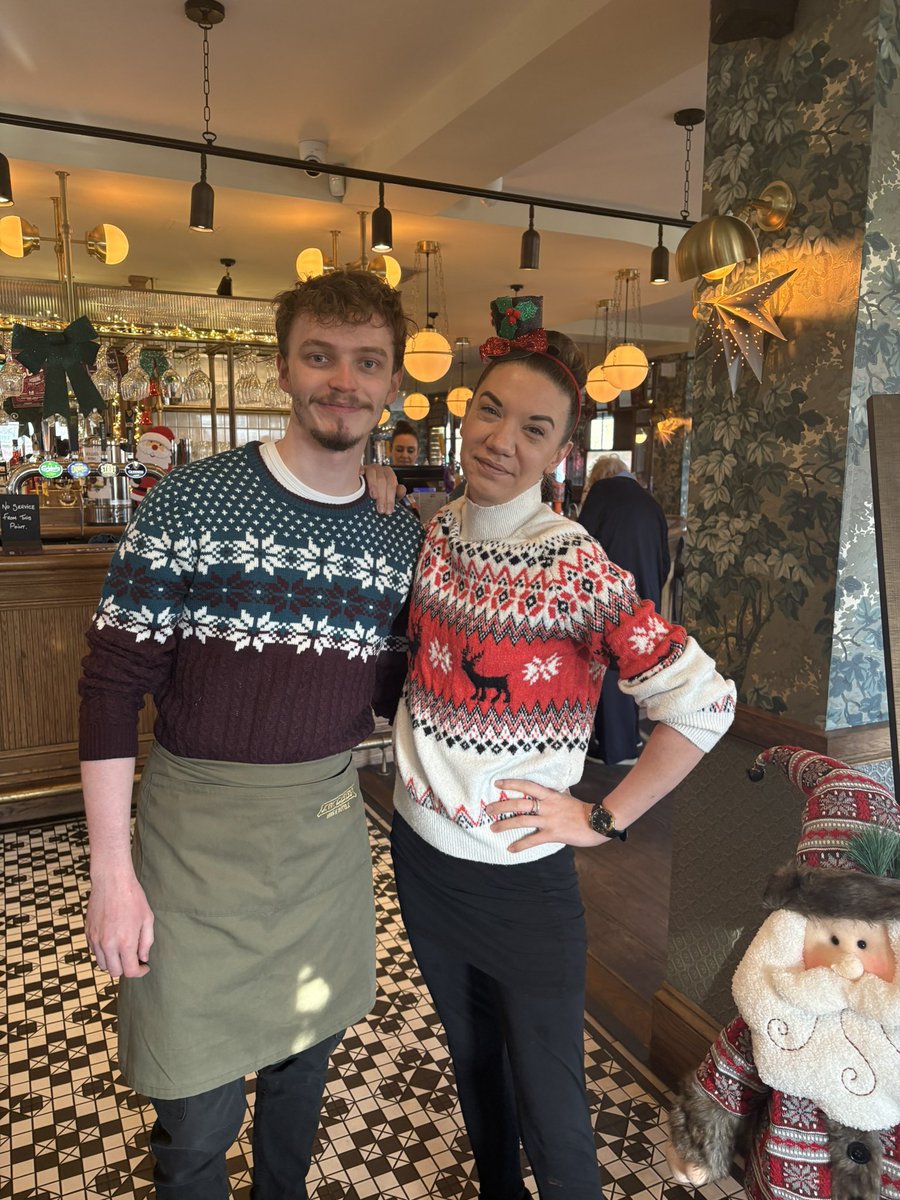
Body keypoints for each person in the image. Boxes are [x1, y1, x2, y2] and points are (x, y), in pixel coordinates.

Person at [78, 269, 423, 1200]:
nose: (342, 381)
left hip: (321, 840)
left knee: (300, 1083)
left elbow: (402, 681)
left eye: (366, 363)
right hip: (193, 844)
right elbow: (111, 689)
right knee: (194, 1117)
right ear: (283, 367)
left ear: (392, 383)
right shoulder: (189, 503)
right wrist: (112, 874)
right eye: (320, 356)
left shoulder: (399, 535)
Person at [390, 294, 736, 1200]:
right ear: (467, 411)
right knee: (475, 1076)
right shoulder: (436, 535)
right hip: (422, 859)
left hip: (519, 879)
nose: (504, 438)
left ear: (558, 453)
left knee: (553, 1110)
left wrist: (602, 817)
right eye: (492, 409)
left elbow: (703, 704)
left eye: (534, 428)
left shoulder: (572, 563)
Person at [666, 744, 900, 1200]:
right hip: (787, 1183)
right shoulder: (770, 1024)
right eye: (831, 939)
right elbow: (725, 1083)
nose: (847, 962)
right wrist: (697, 1146)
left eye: (866, 943)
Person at [578, 453, 671, 766]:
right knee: (635, 661)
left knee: (607, 664)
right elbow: (664, 561)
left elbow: (580, 545)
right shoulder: (650, 502)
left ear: (598, 478)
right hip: (646, 594)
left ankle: (612, 747)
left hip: (609, 593)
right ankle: (629, 736)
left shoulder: (602, 495)